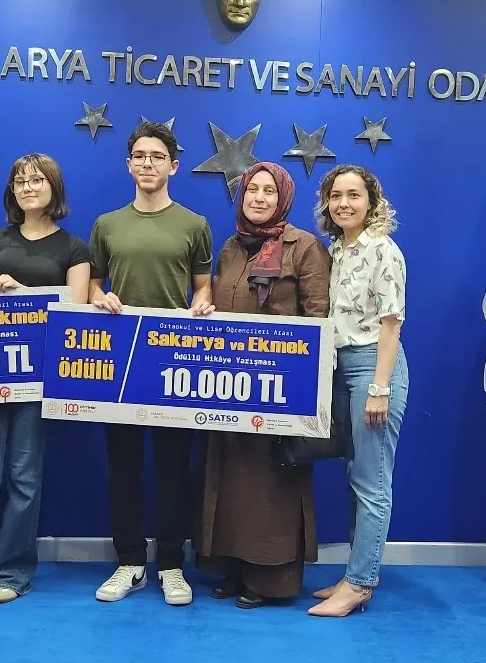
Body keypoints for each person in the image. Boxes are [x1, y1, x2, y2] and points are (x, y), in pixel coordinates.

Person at [0, 153, 91, 604]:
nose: (28, 188)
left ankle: (11, 570)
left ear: (53, 187)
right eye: (20, 181)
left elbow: (76, 311)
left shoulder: (74, 247)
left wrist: (28, 295)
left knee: (24, 477)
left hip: (39, 377)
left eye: (37, 180)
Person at [89, 120, 215, 606]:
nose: (148, 163)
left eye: (157, 156)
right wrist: (100, 298)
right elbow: (93, 283)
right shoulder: (106, 224)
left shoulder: (194, 224)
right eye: (140, 156)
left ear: (173, 166)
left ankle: (170, 565)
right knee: (122, 467)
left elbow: (202, 286)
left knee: (173, 469)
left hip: (172, 361)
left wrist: (201, 303)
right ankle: (128, 562)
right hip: (119, 361)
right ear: (129, 165)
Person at [196, 161, 330, 609]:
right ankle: (233, 566)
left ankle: (270, 579)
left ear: (284, 198)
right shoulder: (231, 246)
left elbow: (319, 317)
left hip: (281, 388)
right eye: (252, 189)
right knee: (231, 477)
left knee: (270, 483)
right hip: (229, 385)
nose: (258, 198)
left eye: (269, 191)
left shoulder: (304, 247)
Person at [307, 163, 409, 617]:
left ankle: (361, 583)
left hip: (373, 365)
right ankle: (355, 572)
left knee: (372, 481)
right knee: (355, 476)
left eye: (353, 195)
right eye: (336, 196)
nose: (343, 203)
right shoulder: (337, 250)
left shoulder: (383, 250)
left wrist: (379, 388)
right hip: (342, 366)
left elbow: (391, 325)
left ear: (372, 203)